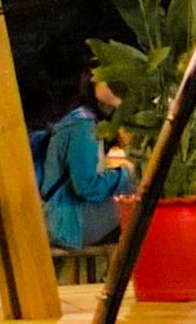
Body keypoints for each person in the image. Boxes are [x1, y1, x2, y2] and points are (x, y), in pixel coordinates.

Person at [35, 67, 130, 254]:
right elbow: (86, 186)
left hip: (64, 221)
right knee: (142, 224)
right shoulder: (83, 126)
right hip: (70, 226)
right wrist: (125, 175)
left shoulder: (80, 120)